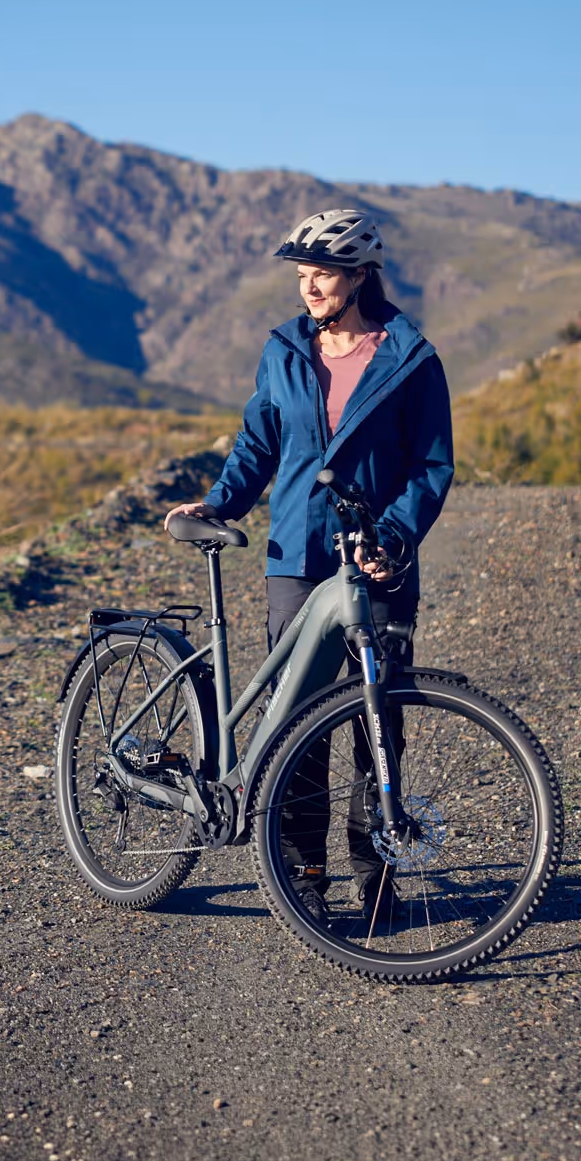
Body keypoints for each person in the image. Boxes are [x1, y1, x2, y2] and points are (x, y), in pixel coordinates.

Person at [163, 207, 454, 927]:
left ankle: (376, 874)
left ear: (360, 275)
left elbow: (432, 465)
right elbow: (258, 442)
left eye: (322, 273)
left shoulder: (412, 358)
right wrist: (221, 501)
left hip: (376, 564)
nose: (310, 288)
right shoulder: (285, 350)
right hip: (295, 558)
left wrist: (392, 534)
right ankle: (304, 874)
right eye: (302, 275)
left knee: (376, 725)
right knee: (298, 726)